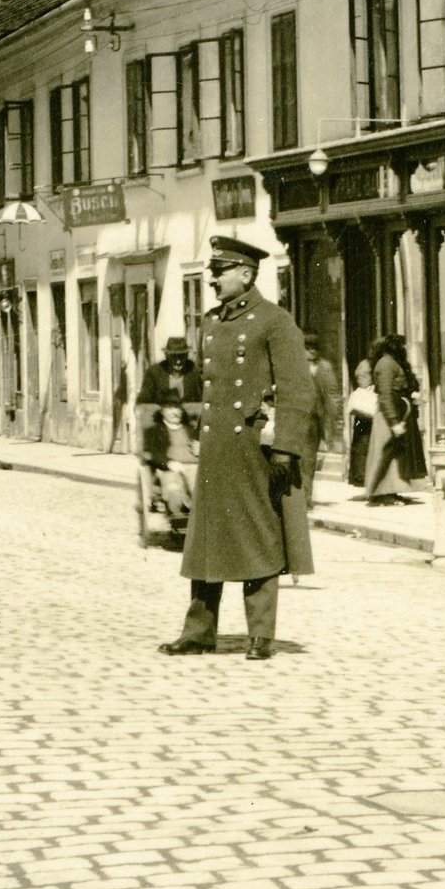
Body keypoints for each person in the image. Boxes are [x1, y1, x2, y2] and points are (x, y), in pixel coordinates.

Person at [159, 236, 317, 662]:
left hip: (252, 449)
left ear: (246, 275)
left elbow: (296, 389)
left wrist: (285, 448)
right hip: (215, 450)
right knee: (206, 538)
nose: (212, 280)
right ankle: (199, 631)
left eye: (219, 271)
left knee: (258, 537)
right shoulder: (211, 322)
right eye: (212, 271)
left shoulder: (275, 321)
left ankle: (260, 634)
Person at [138, 336, 203, 534]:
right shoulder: (155, 373)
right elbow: (145, 403)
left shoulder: (193, 372)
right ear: (167, 356)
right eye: (174, 356)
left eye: (182, 356)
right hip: (162, 423)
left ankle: (201, 514)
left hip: (188, 422)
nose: (178, 361)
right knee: (174, 483)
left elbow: (203, 400)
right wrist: (159, 411)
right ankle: (182, 510)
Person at [363, 335, 423, 505]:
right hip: (387, 418)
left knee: (395, 457)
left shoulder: (392, 363)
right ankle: (381, 493)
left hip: (395, 414)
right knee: (385, 454)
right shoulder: (386, 364)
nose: (404, 349)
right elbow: (386, 395)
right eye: (401, 346)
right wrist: (394, 421)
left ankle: (392, 491)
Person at [305, 334, 342, 483]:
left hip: (314, 419)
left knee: (308, 459)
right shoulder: (293, 364)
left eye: (315, 348)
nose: (312, 351)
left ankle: (305, 498)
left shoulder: (325, 367)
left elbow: (332, 396)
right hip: (296, 416)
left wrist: (329, 429)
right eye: (307, 348)